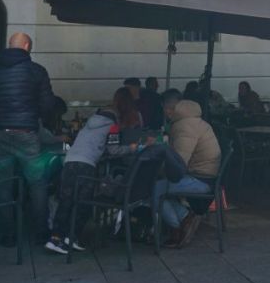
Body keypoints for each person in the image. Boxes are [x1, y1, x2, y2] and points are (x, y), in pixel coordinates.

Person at [0, 32, 57, 245]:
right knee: (37, 182)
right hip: (27, 133)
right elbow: (48, 105)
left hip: (1, 133)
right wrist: (39, 123)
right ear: (26, 46)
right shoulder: (37, 71)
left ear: (10, 45)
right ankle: (41, 232)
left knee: (3, 184)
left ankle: (8, 234)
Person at [46, 87, 142, 254]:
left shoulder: (93, 120)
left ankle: (55, 238)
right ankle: (71, 236)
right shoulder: (113, 126)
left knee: (66, 201)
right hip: (86, 165)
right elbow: (113, 150)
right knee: (84, 203)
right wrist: (132, 148)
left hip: (70, 161)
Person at [152, 90, 221, 248]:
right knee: (160, 185)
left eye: (164, 109)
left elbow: (178, 164)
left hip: (201, 180)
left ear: (169, 109)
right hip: (206, 176)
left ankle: (178, 226)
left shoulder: (184, 127)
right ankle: (185, 219)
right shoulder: (194, 120)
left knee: (153, 189)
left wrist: (159, 170)